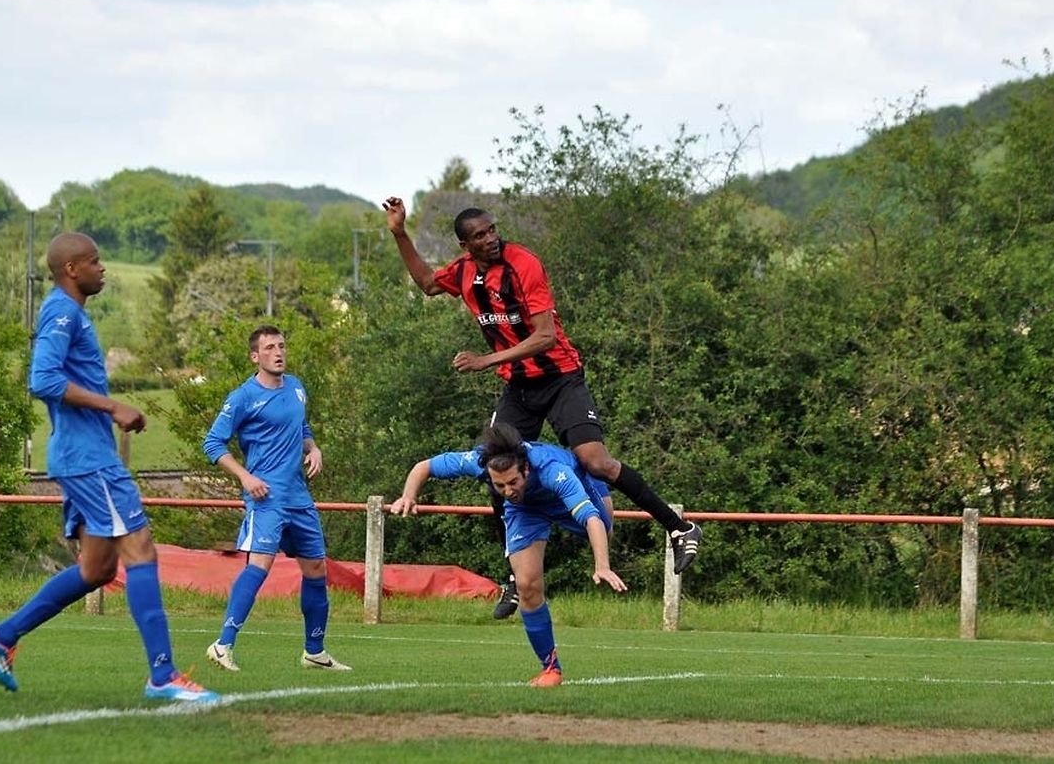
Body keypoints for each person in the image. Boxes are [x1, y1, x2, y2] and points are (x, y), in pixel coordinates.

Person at [383, 196, 702, 620]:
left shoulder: (524, 264)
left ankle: (680, 528)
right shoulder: (463, 273)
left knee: (596, 462)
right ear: (465, 246)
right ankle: (515, 576)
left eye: (492, 229)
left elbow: (546, 336)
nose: (491, 238)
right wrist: (400, 233)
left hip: (560, 378)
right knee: (495, 468)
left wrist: (486, 360)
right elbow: (426, 283)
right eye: (480, 235)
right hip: (519, 387)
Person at [0, 233, 218, 703]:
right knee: (141, 549)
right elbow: (42, 379)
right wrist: (113, 406)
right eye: (94, 261)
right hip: (90, 460)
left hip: (80, 457)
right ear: (71, 269)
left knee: (97, 569)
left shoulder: (70, 312)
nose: (102, 268)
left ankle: (3, 636)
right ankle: (163, 676)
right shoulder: (62, 312)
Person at [392, 423, 627, 686]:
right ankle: (550, 669)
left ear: (525, 469)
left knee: (605, 529)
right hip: (526, 509)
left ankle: (600, 494)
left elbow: (592, 519)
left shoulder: (552, 470)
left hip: (571, 492)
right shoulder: (479, 463)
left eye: (513, 482)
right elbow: (424, 466)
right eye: (499, 485)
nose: (508, 491)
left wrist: (602, 565)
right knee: (526, 585)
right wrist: (408, 496)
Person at [201, 325, 351, 674]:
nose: (278, 352)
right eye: (269, 348)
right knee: (259, 566)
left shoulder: (296, 387)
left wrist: (313, 448)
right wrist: (246, 477)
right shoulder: (242, 397)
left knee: (316, 569)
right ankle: (222, 645)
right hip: (266, 497)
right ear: (255, 356)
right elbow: (212, 443)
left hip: (299, 497)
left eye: (281, 345)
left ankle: (315, 652)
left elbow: (301, 428)